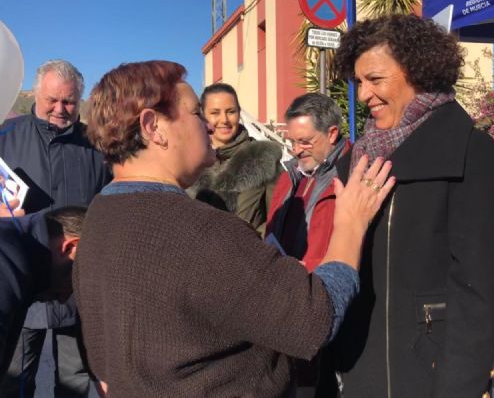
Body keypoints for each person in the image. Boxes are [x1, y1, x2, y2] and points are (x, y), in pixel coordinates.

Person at [73, 60, 395, 397]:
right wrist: (350, 224)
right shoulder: (199, 230)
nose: (209, 125)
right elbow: (314, 319)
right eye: (196, 113)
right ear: (153, 127)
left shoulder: (99, 215)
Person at [316, 14, 494, 398]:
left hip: (428, 375)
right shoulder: (356, 161)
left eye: (375, 79)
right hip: (356, 371)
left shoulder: (469, 151)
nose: (364, 95)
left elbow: (479, 293)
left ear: (417, 72)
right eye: (359, 82)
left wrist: (458, 389)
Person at [0, 60, 111, 397]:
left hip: (75, 288)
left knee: (74, 380)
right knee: (15, 380)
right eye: (52, 100)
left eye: (69, 102)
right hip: (22, 288)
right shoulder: (5, 137)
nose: (60, 109)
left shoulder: (96, 146)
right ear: (35, 95)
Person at [267, 92, 349, 273]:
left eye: (304, 142)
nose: (296, 150)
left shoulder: (352, 177)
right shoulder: (287, 177)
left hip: (324, 284)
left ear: (332, 134)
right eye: (292, 142)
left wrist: (309, 267)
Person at [0, 207, 85, 381]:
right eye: (72, 284)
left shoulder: (18, 253)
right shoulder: (8, 266)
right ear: (70, 248)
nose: (63, 299)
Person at [188, 83, 281, 235]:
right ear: (203, 115)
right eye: (215, 113)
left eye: (231, 112)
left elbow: (278, 218)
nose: (224, 119)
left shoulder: (263, 156)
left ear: (239, 113)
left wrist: (253, 239)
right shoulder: (190, 160)